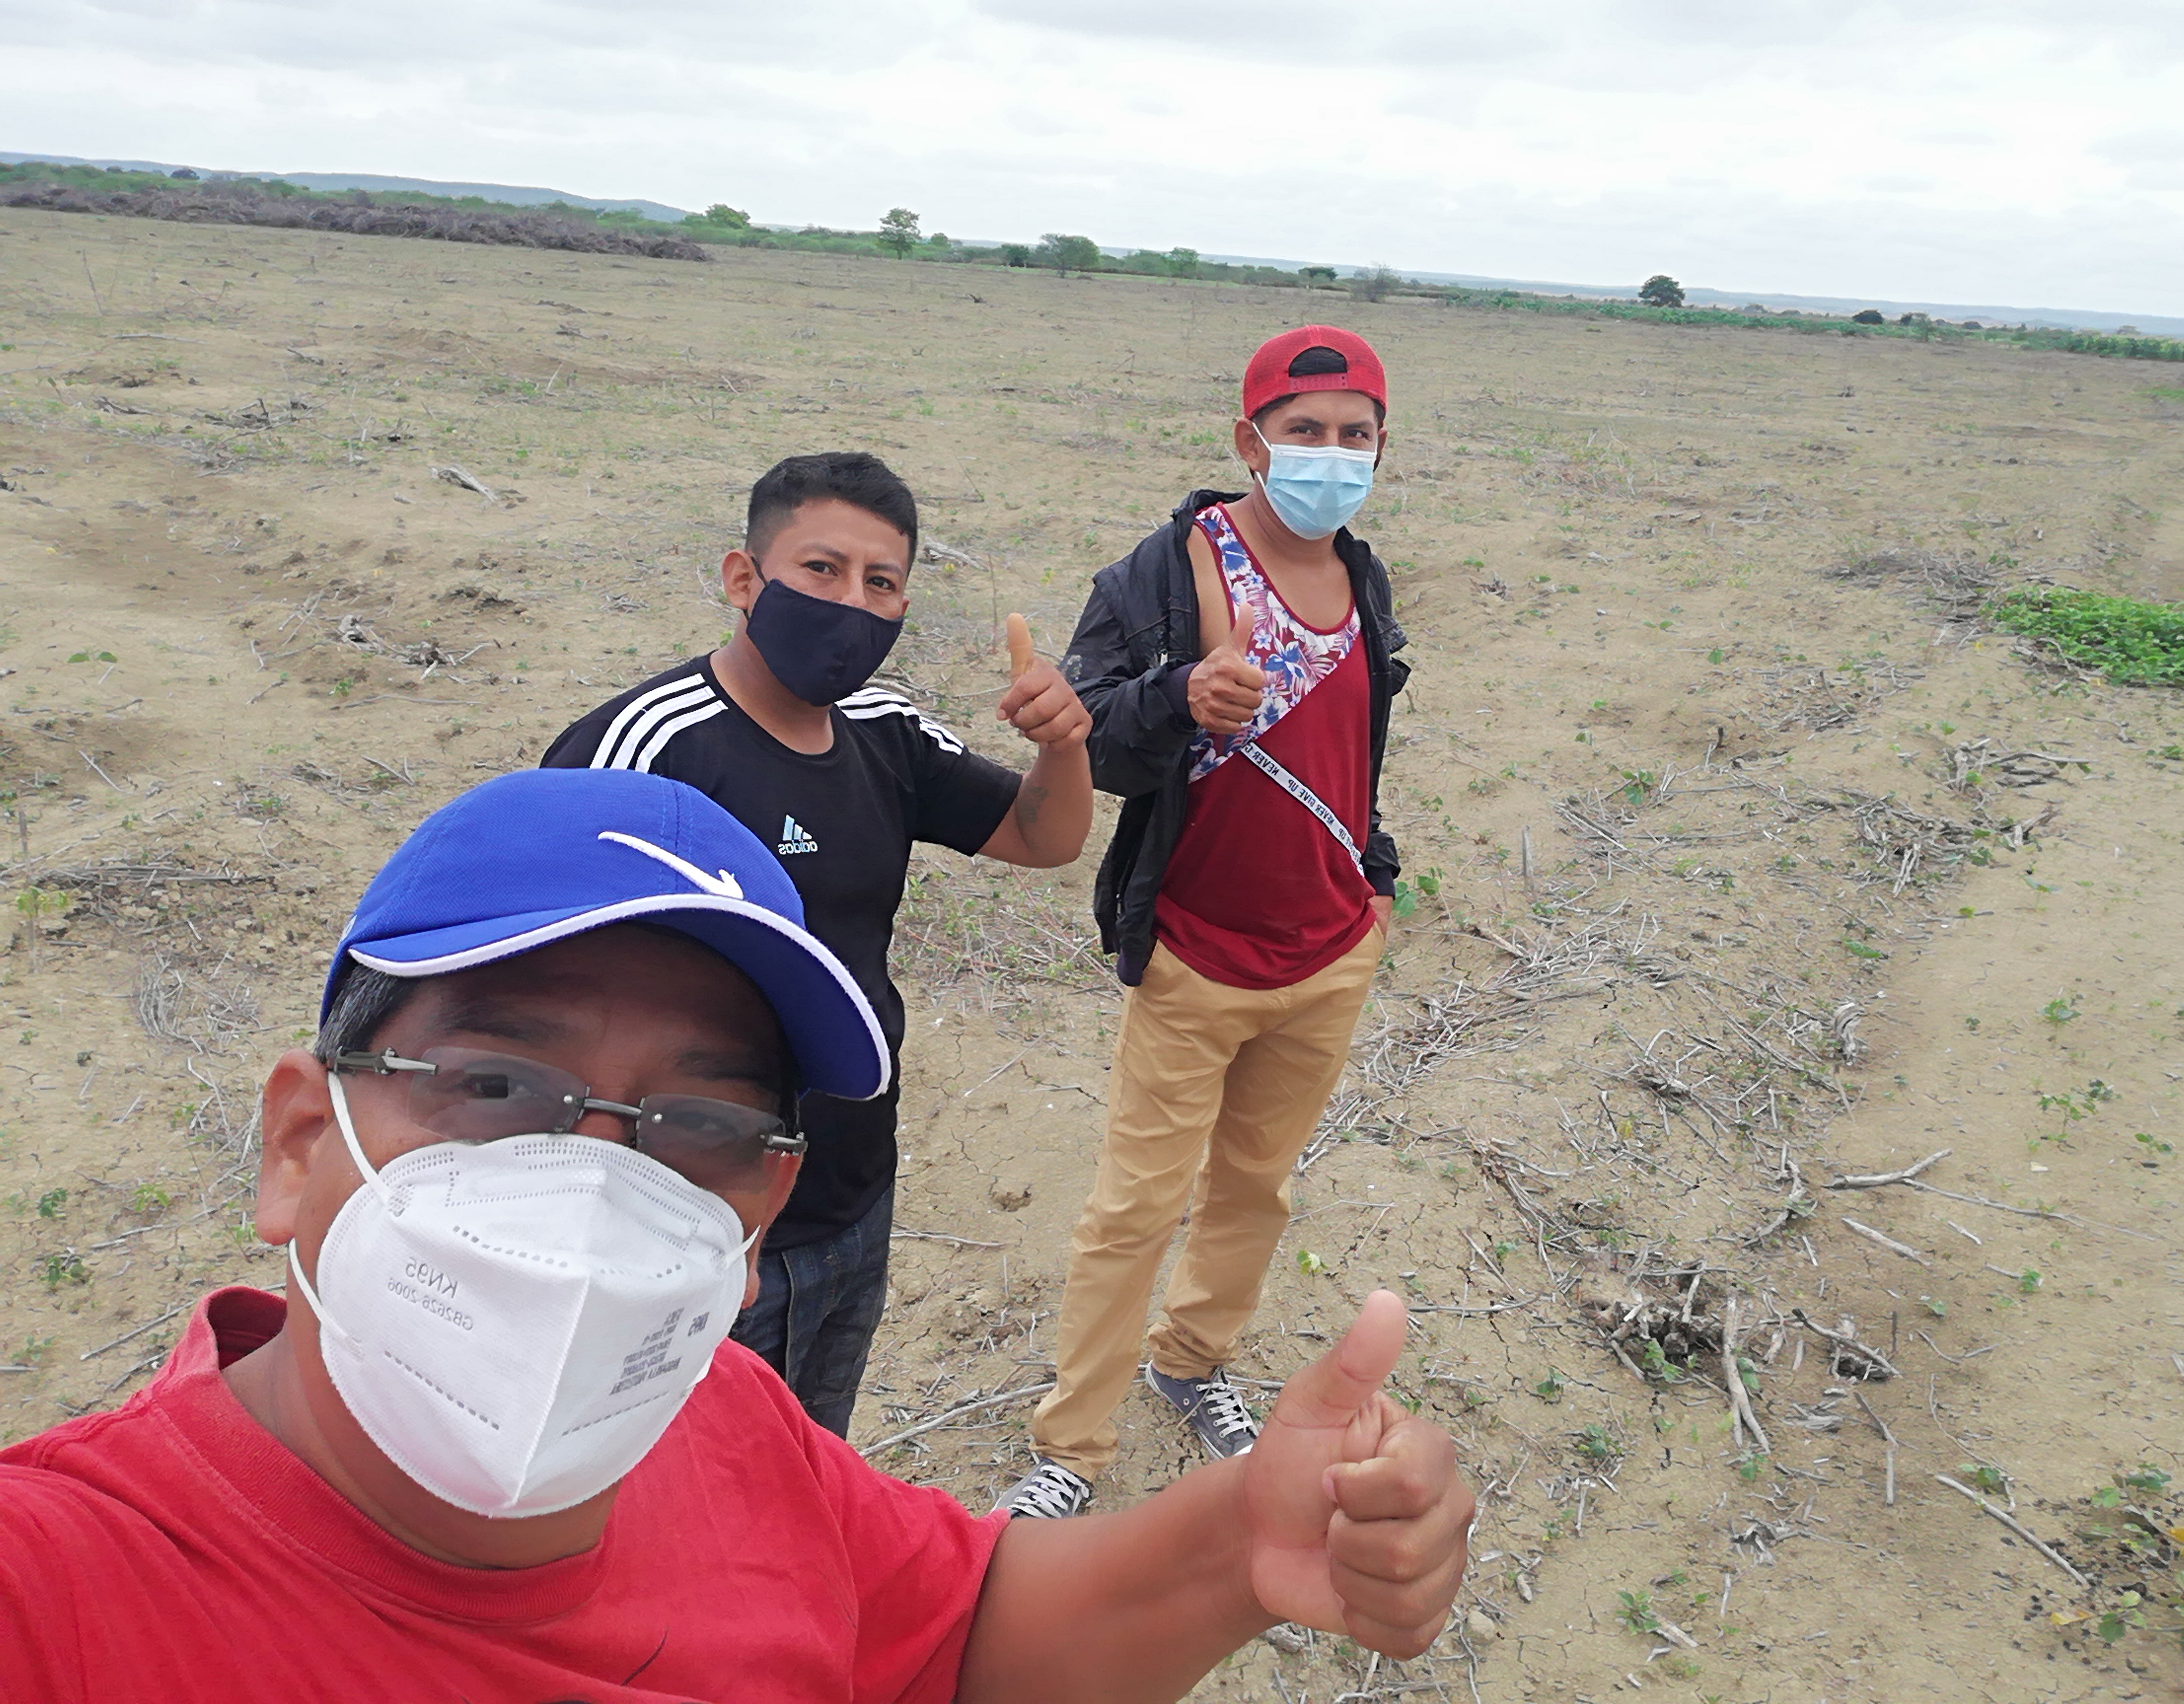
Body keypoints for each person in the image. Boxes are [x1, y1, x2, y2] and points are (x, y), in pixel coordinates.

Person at [0, 768, 1473, 1703]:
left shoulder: (730, 1424)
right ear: (298, 1142)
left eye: (698, 1125)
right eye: (497, 1088)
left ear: (759, 1216)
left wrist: (1238, 1541)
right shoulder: (67, 1593)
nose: (589, 1183)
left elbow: (960, 1638)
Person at [542, 451, 1091, 1436]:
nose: (852, 603)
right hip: (691, 1226)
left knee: (808, 1458)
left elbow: (1042, 837)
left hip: (851, 1191)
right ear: (743, 578)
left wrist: (1064, 745)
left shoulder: (886, 732)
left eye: (881, 583)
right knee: (668, 1480)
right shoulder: (647, 749)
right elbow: (544, 997)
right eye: (822, 570)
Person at [1002, 326, 1409, 1518]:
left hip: (1330, 950)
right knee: (1136, 1207)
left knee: (1257, 1188)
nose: (1331, 455)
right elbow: (1095, 742)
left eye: (1354, 435)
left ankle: (1190, 1360)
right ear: (1251, 440)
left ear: (1381, 448)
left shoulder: (1364, 576)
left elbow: (1356, 749)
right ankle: (1072, 1448)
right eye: (1304, 431)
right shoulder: (1165, 574)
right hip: (1196, 953)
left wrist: (1374, 882)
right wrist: (1179, 694)